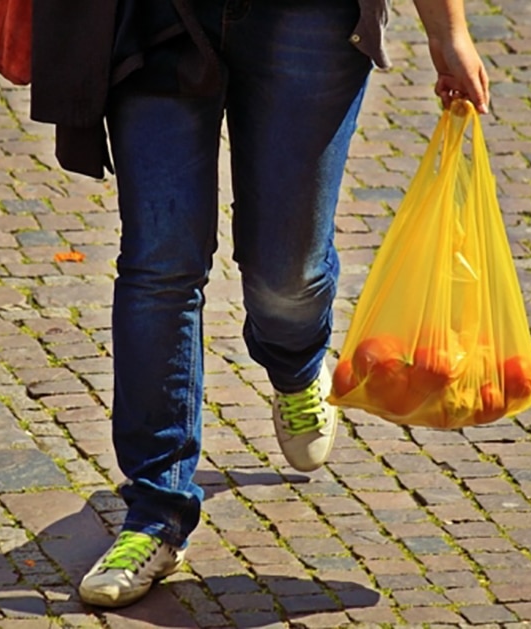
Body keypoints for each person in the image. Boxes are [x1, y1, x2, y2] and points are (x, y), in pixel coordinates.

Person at [30, 0, 490, 609]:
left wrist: (448, 30)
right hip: (155, 14)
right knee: (159, 263)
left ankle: (296, 362)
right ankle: (155, 513)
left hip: (308, 19)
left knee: (286, 274)